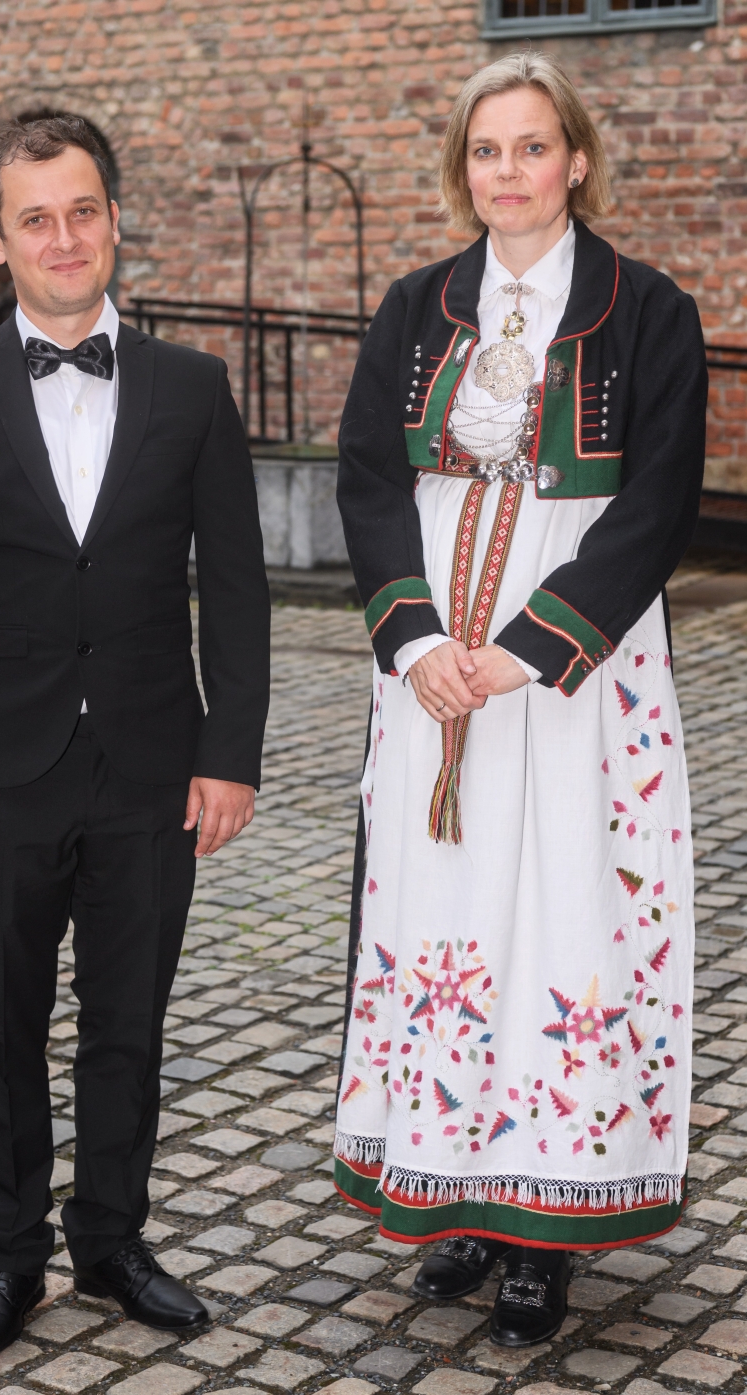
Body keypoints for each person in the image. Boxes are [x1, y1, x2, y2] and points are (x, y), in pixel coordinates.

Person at [0, 114, 270, 1359]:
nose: (64, 237)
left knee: (128, 1022)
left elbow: (241, 588)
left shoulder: (195, 388)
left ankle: (112, 1241)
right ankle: (9, 1258)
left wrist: (232, 751)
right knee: (0, 1022)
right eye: (35, 217)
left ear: (113, 219)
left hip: (155, 765)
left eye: (83, 210)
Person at [333, 53, 704, 1347]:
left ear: (575, 159)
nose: (507, 171)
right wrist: (416, 634)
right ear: (464, 169)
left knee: (560, 915)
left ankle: (547, 1227)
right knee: (448, 916)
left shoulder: (646, 310)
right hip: (435, 669)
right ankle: (463, 1205)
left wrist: (533, 645)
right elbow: (368, 481)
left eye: (530, 146)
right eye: (485, 150)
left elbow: (657, 501)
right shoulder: (413, 306)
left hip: (571, 679)